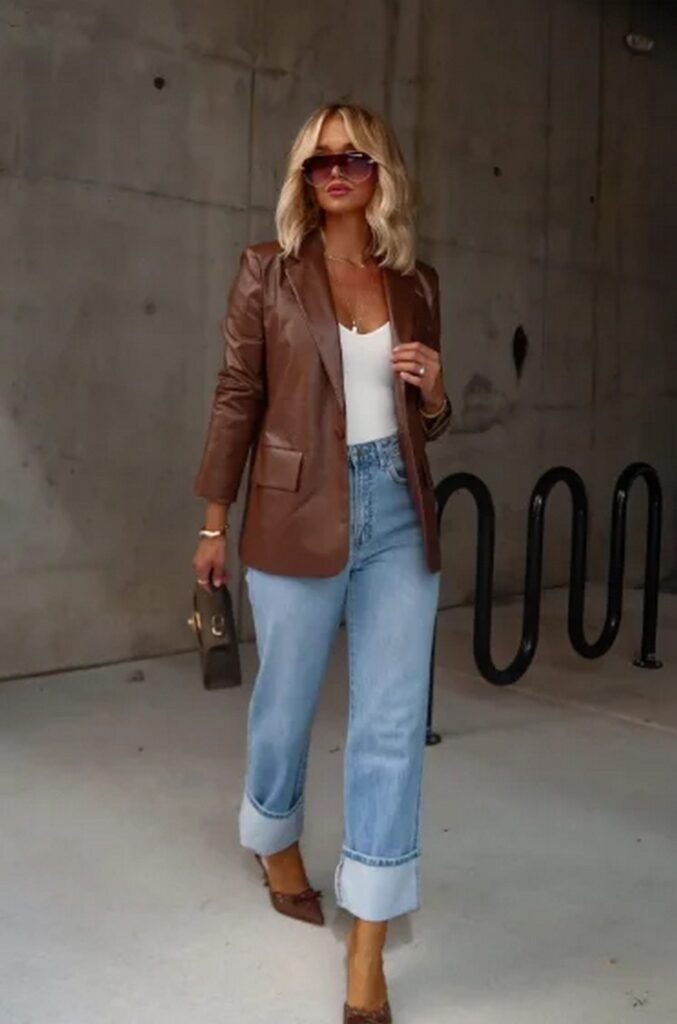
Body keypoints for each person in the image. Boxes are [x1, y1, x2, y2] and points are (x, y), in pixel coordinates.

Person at [192, 102, 451, 1024]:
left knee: (389, 727)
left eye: (352, 160)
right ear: (304, 180)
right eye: (318, 163)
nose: (334, 173)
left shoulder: (414, 282)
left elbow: (426, 420)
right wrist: (214, 526)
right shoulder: (267, 273)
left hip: (395, 514)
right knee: (285, 703)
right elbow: (237, 396)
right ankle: (272, 836)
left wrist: (434, 390)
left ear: (380, 173)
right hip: (294, 508)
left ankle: (369, 953)